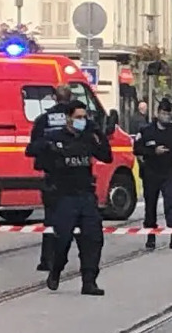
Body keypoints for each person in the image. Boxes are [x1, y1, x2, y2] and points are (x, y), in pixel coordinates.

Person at [29, 100, 113, 295]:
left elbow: (106, 156)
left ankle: (89, 281)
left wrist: (98, 133)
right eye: (78, 117)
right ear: (68, 118)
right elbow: (32, 152)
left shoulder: (88, 138)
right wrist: (50, 149)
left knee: (93, 239)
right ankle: (56, 270)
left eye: (84, 117)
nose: (82, 121)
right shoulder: (55, 136)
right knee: (63, 239)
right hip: (64, 196)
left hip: (86, 195)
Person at [25, 84, 78, 272]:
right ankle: (70, 257)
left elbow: (31, 148)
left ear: (54, 98)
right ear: (71, 98)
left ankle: (47, 259)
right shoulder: (78, 120)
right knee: (75, 220)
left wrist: (47, 146)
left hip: (52, 176)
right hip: (74, 176)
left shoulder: (43, 120)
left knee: (51, 219)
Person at [134, 98, 172, 250]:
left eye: (168, 114)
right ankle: (151, 237)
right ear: (158, 113)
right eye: (163, 113)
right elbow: (137, 149)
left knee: (171, 204)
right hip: (151, 172)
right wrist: (153, 151)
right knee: (150, 206)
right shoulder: (147, 130)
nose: (166, 116)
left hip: (168, 172)